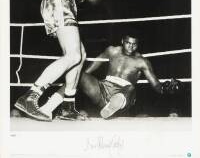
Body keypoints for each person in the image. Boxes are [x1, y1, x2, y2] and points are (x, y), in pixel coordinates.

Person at [15, 0, 103, 121]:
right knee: (73, 55)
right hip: (59, 2)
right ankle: (30, 96)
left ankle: (66, 106)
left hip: (58, 2)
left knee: (80, 56)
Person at [38, 34, 180, 120]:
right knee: (77, 75)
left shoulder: (142, 61)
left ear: (138, 45)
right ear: (122, 41)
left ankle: (114, 105)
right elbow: (90, 68)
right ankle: (49, 106)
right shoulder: (111, 51)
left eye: (134, 44)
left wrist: (166, 88)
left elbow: (156, 85)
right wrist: (81, 80)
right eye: (128, 43)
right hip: (103, 89)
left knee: (131, 87)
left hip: (125, 94)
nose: (131, 47)